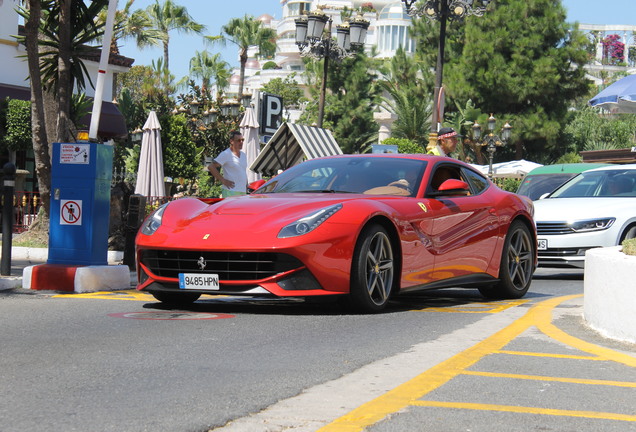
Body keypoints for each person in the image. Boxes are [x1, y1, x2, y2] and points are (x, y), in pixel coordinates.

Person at [207, 131, 248, 198]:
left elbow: (243, 171)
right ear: (231, 141)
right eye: (238, 140)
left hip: (242, 191)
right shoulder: (226, 154)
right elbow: (211, 167)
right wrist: (223, 180)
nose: (241, 142)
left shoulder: (243, 155)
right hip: (230, 191)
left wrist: (246, 184)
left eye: (242, 140)